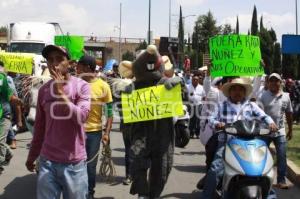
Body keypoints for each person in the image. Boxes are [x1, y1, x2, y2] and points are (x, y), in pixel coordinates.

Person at [25, 45, 91, 199]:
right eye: (50, 60)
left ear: (70, 63)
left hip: (74, 164)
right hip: (48, 162)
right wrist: (32, 155)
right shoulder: (43, 91)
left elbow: (82, 117)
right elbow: (40, 128)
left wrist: (61, 93)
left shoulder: (82, 87)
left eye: (60, 59)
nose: (54, 63)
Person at [201, 78, 277, 199]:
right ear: (229, 92)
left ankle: (270, 195)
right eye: (234, 89)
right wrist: (217, 124)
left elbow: (264, 116)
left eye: (240, 89)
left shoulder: (251, 106)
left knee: (264, 168)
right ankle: (205, 196)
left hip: (250, 143)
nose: (237, 92)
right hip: (227, 142)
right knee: (215, 169)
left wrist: (271, 123)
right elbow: (211, 119)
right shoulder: (221, 105)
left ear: (244, 92)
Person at [76, 55, 113, 199]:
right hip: (76, 131)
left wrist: (107, 133)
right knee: (76, 165)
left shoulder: (103, 86)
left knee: (90, 167)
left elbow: (110, 111)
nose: (76, 69)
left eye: (79, 66)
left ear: (87, 68)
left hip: (94, 133)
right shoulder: (75, 84)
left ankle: (89, 193)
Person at [258, 73, 293, 189]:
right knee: (261, 155)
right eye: (271, 81)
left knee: (282, 155)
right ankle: (260, 177)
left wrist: (290, 129)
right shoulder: (263, 96)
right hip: (265, 131)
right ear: (268, 83)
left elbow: (289, 114)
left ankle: (281, 180)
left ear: (280, 82)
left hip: (280, 131)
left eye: (276, 81)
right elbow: (258, 114)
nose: (273, 83)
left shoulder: (286, 96)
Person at [0, 63, 22, 173]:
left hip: (4, 115)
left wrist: (19, 119)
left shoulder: (4, 80)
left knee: (0, 141)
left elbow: (11, 96)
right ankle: (8, 153)